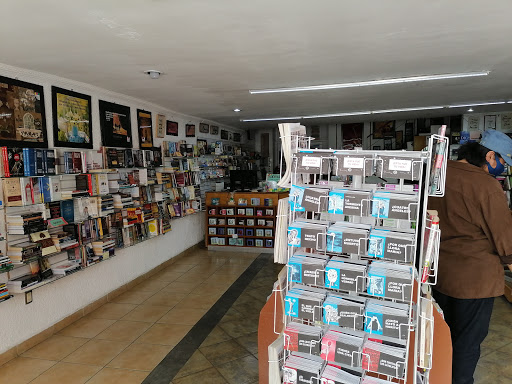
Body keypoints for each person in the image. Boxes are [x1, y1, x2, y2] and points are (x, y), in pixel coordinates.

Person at [428, 129, 512, 384]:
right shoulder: (485, 185)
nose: (502, 169)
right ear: (490, 156)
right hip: (475, 281)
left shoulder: (439, 175)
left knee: (444, 339)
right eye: (503, 163)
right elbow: (504, 237)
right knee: (467, 345)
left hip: (440, 274)